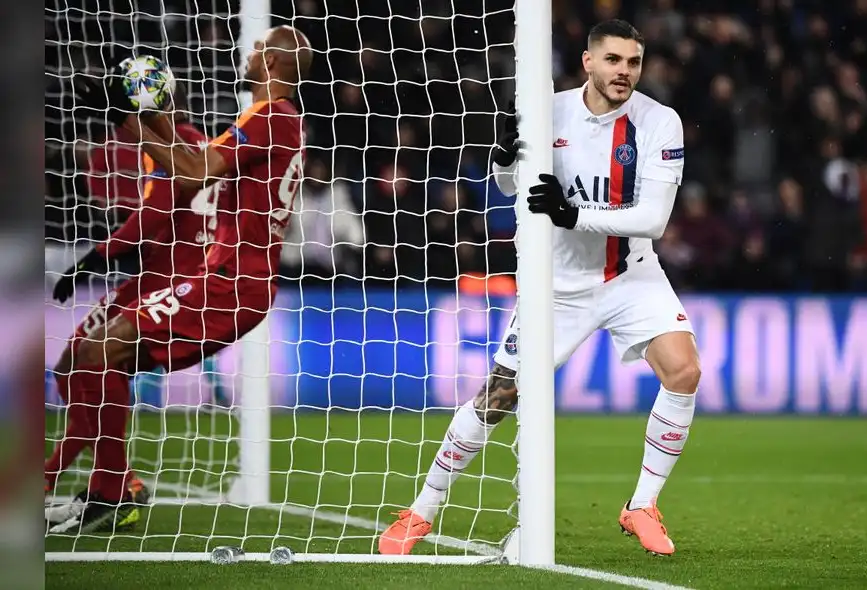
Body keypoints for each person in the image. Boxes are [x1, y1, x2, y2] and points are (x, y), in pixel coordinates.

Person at [379, 19, 700, 557]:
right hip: (556, 284)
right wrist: (504, 160)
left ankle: (642, 505)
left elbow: (653, 219)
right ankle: (421, 511)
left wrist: (574, 215)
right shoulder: (548, 108)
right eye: (615, 60)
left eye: (634, 63)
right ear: (589, 62)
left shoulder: (660, 122)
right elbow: (513, 187)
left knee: (685, 370)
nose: (625, 72)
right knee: (496, 399)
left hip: (630, 275)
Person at [50, 26, 312, 534]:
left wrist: (132, 120)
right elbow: (193, 163)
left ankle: (105, 492)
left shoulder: (271, 117)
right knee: (97, 357)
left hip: (232, 280)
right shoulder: (267, 121)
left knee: (98, 353)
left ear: (275, 64)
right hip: (224, 278)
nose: (250, 52)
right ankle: (108, 492)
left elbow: (191, 174)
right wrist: (134, 122)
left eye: (260, 48)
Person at [46, 83, 210, 531]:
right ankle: (120, 481)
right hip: (152, 273)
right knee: (68, 366)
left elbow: (157, 211)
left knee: (92, 361)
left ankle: (85, 486)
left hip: (177, 281)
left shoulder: (185, 142)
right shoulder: (154, 148)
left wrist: (98, 255)